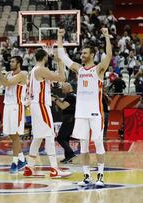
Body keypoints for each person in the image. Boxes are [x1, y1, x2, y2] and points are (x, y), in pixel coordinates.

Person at [58, 28, 112, 187]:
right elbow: (63, 56)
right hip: (81, 113)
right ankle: (87, 175)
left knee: (98, 143)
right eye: (81, 53)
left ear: (92, 55)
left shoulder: (98, 69)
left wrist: (107, 37)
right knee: (83, 145)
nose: (82, 55)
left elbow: (108, 56)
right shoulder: (79, 69)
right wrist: (60, 37)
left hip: (96, 112)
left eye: (85, 53)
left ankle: (100, 176)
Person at [24, 49, 71, 178]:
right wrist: (60, 60)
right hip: (40, 105)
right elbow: (63, 78)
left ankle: (29, 167)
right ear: (45, 57)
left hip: (35, 105)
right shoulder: (40, 70)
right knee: (50, 135)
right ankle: (54, 169)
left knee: (38, 136)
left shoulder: (33, 70)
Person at [0, 56, 27, 173]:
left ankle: (15, 162)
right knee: (12, 136)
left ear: (19, 63)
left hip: (16, 106)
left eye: (13, 61)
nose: (10, 63)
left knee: (15, 135)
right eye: (10, 61)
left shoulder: (23, 74)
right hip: (7, 106)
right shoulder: (8, 74)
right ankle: (22, 159)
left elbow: (7, 83)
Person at [52, 82, 76, 163]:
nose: (62, 89)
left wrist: (55, 100)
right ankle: (68, 157)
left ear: (69, 87)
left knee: (60, 138)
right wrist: (58, 99)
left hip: (69, 119)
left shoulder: (70, 96)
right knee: (65, 138)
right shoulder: (73, 95)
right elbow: (65, 103)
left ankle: (71, 154)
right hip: (72, 119)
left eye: (63, 88)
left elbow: (63, 106)